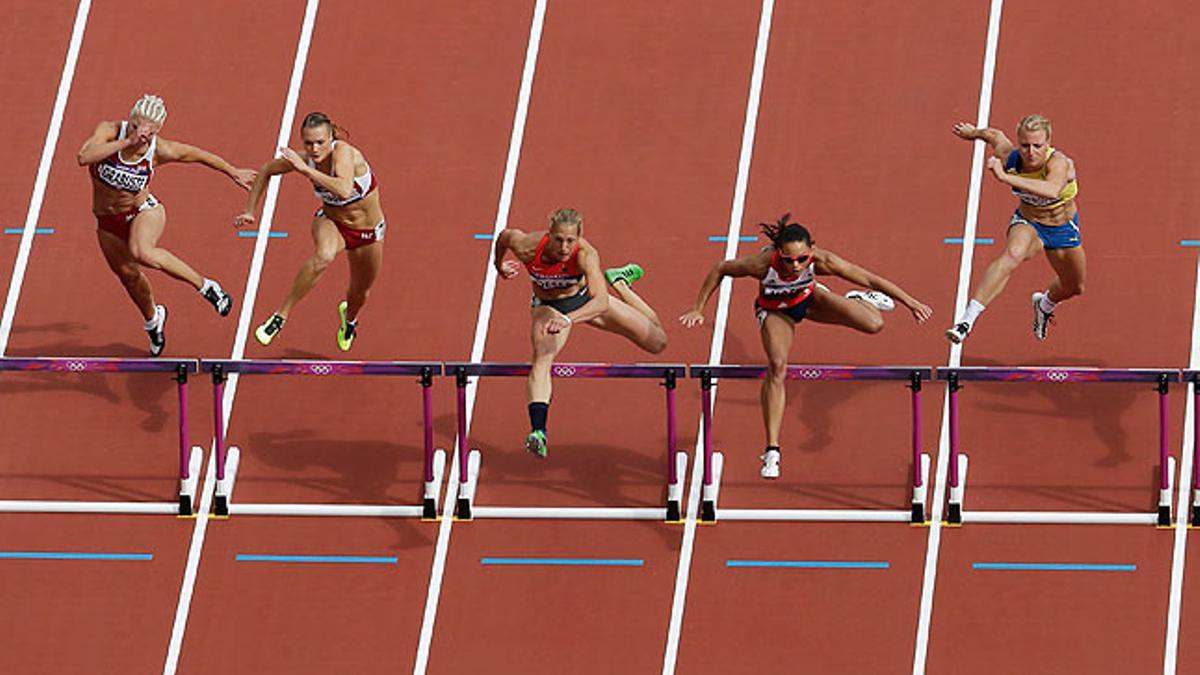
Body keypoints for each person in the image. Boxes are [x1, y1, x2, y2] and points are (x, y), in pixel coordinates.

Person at [680, 213, 932, 478]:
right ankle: (772, 450)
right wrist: (698, 308)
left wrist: (911, 302)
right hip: (777, 312)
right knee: (777, 366)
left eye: (802, 259)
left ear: (811, 250)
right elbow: (721, 268)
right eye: (789, 260)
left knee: (873, 324)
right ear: (779, 253)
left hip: (811, 302)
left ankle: (861, 301)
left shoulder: (823, 260)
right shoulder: (762, 264)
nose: (796, 265)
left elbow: (870, 278)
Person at [78, 94, 254, 355]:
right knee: (129, 277)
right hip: (106, 221)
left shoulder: (160, 150)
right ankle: (153, 320)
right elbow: (84, 156)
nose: (141, 135)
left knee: (142, 252)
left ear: (157, 132)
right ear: (130, 118)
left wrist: (233, 171)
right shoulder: (109, 130)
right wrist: (126, 141)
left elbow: (198, 155)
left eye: (148, 132)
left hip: (143, 212)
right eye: (136, 126)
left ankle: (207, 287)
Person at [494, 207, 667, 457]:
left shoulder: (585, 254)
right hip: (548, 307)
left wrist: (568, 319)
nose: (564, 247)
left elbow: (601, 303)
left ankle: (619, 282)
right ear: (549, 234)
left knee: (658, 342)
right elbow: (504, 237)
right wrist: (499, 266)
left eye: (570, 241)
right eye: (559, 240)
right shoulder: (527, 247)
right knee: (542, 356)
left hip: (585, 304)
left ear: (579, 237)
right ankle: (538, 431)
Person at [236, 112, 385, 351]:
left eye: (320, 142)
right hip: (332, 222)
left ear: (330, 138)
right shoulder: (304, 159)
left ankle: (350, 320)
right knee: (323, 256)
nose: (314, 149)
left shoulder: (344, 153)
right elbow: (266, 170)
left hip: (367, 232)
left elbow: (344, 189)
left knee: (360, 292)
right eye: (308, 143)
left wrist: (305, 170)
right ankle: (280, 316)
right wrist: (250, 210)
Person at [946, 114, 1083, 343]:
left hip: (1062, 228)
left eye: (1038, 146)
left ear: (1048, 143)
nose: (1031, 152)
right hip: (1029, 222)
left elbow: (1051, 190)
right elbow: (994, 135)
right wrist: (973, 133)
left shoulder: (1059, 163)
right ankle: (966, 321)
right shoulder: (1010, 158)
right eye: (1025, 145)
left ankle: (1044, 303)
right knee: (1013, 255)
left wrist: (1003, 177)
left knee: (1074, 286)